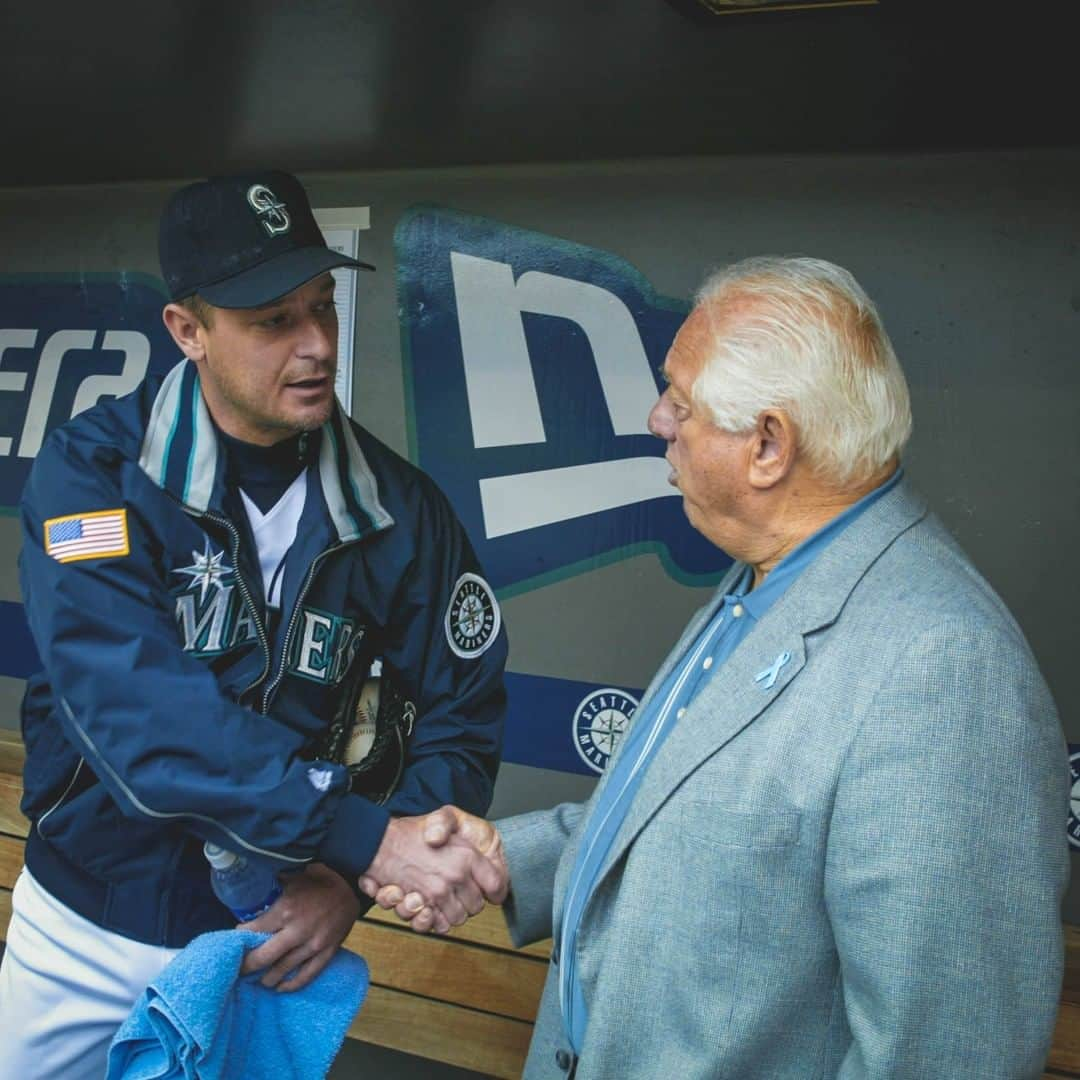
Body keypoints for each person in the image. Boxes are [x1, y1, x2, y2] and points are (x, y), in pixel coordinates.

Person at [368, 256, 1070, 1078]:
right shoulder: (768, 576)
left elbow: (946, 1058)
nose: (658, 418)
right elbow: (696, 830)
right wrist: (501, 858)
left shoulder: (943, 671)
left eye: (681, 400)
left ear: (768, 445)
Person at [0, 170, 507, 1080]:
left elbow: (461, 718)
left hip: (273, 938)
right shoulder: (96, 474)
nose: (316, 345)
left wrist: (348, 884)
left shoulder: (404, 509)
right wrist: (361, 839)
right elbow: (140, 715)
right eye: (274, 320)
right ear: (188, 331)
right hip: (84, 926)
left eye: (324, 308)